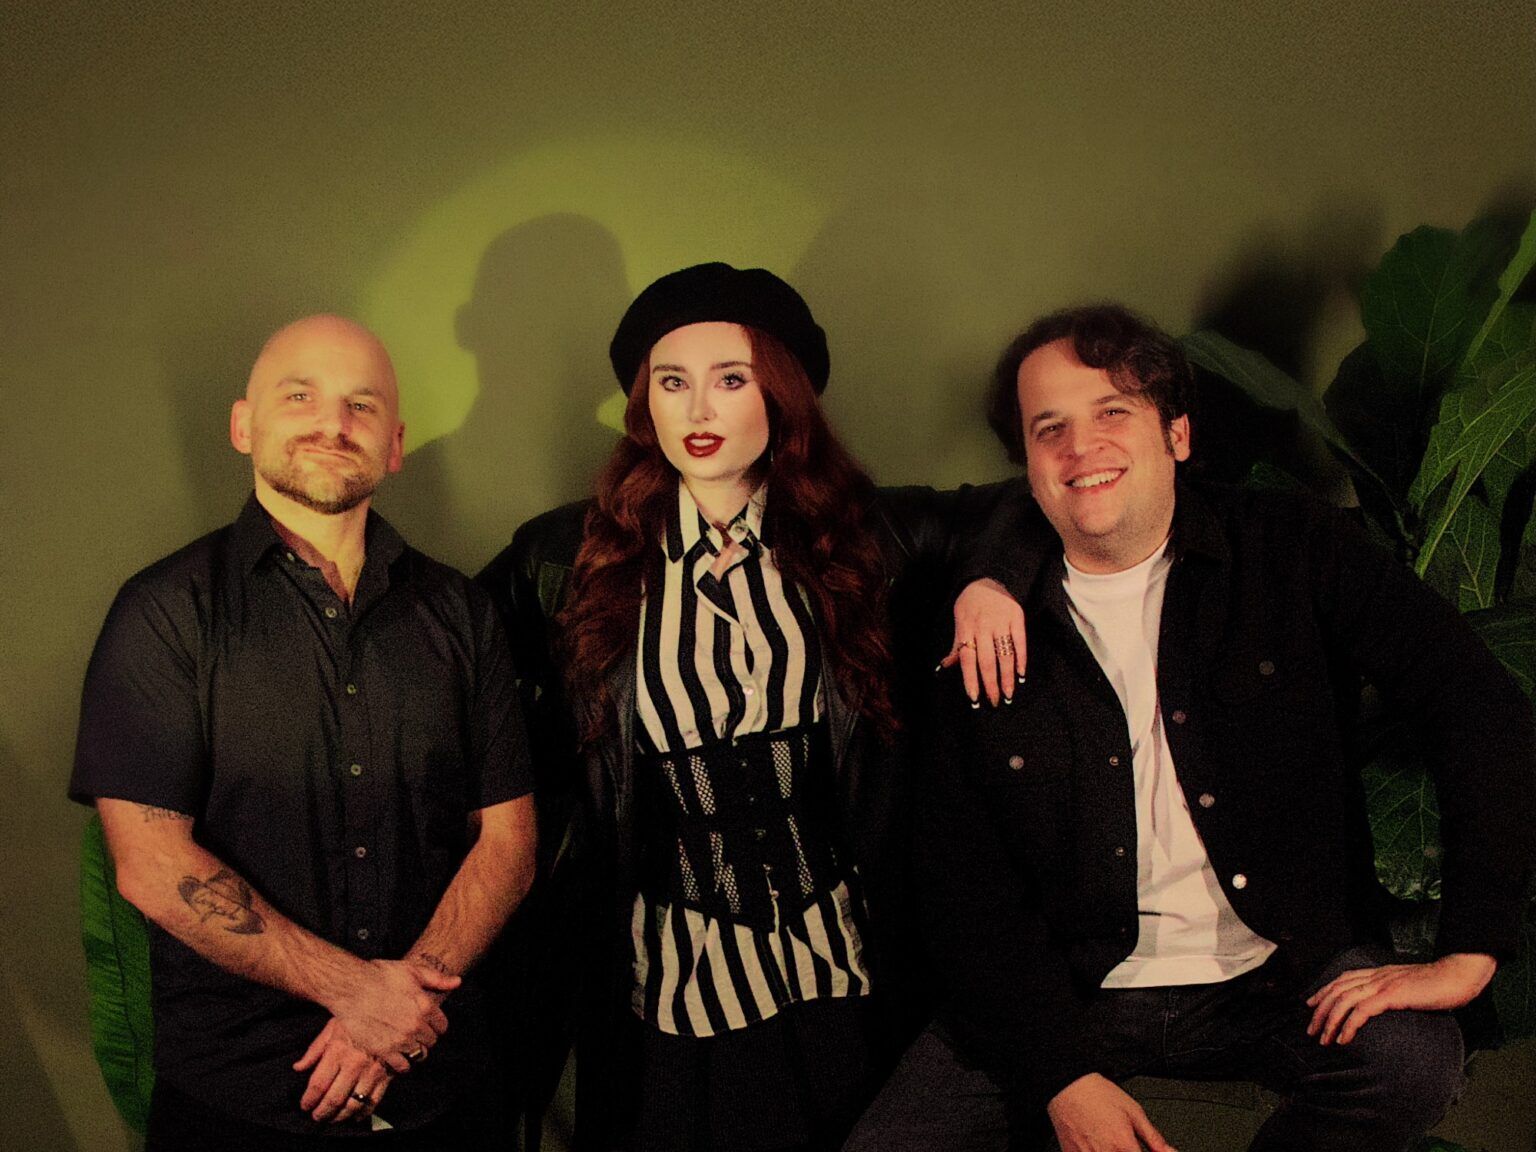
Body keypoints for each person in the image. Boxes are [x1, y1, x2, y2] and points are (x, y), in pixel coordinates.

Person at [846, 304, 1536, 1152]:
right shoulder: (981, 629)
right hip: (1070, 987)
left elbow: (1477, 705)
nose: (1080, 447)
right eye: (1049, 428)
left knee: (1411, 1062)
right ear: (1025, 462)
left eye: (1112, 412)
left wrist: (1472, 951)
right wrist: (1059, 1077)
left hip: (1279, 971)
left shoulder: (1291, 549)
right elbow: (961, 878)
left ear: (1176, 433)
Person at [478, 263, 1025, 1152]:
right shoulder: (562, 559)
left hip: (838, 955)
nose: (699, 409)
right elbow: (450, 659)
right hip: (672, 967)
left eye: (731, 380)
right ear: (643, 405)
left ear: (781, 395)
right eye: (672, 383)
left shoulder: (869, 537)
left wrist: (986, 583)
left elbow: (1021, 507)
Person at [70, 315, 538, 1151]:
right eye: (300, 397)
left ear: (395, 444)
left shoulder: (463, 614)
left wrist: (398, 1009)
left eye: (362, 404)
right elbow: (150, 862)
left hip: (441, 1085)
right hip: (240, 1097)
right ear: (242, 424)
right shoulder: (165, 613)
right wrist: (356, 994)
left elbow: (508, 842)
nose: (333, 423)